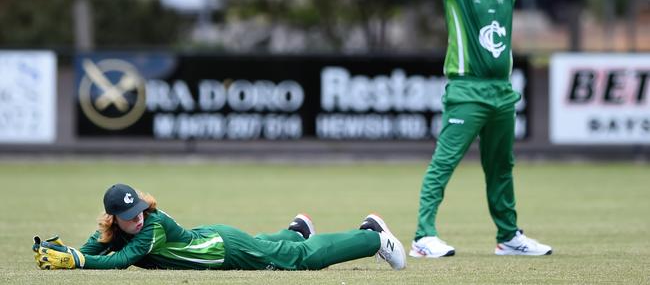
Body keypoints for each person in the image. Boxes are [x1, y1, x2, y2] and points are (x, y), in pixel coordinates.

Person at [411, 0, 553, 258]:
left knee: (501, 165)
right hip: (466, 91)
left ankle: (508, 237)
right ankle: (423, 237)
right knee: (444, 162)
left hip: (502, 92)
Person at [34, 183, 406, 270]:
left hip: (226, 249)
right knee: (280, 245)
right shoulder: (117, 227)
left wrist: (77, 262)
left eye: (140, 211)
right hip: (218, 239)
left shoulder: (151, 227)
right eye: (129, 217)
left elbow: (120, 261)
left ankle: (370, 236)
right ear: (113, 217)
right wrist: (70, 251)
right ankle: (295, 229)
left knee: (297, 261)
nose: (138, 218)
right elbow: (97, 246)